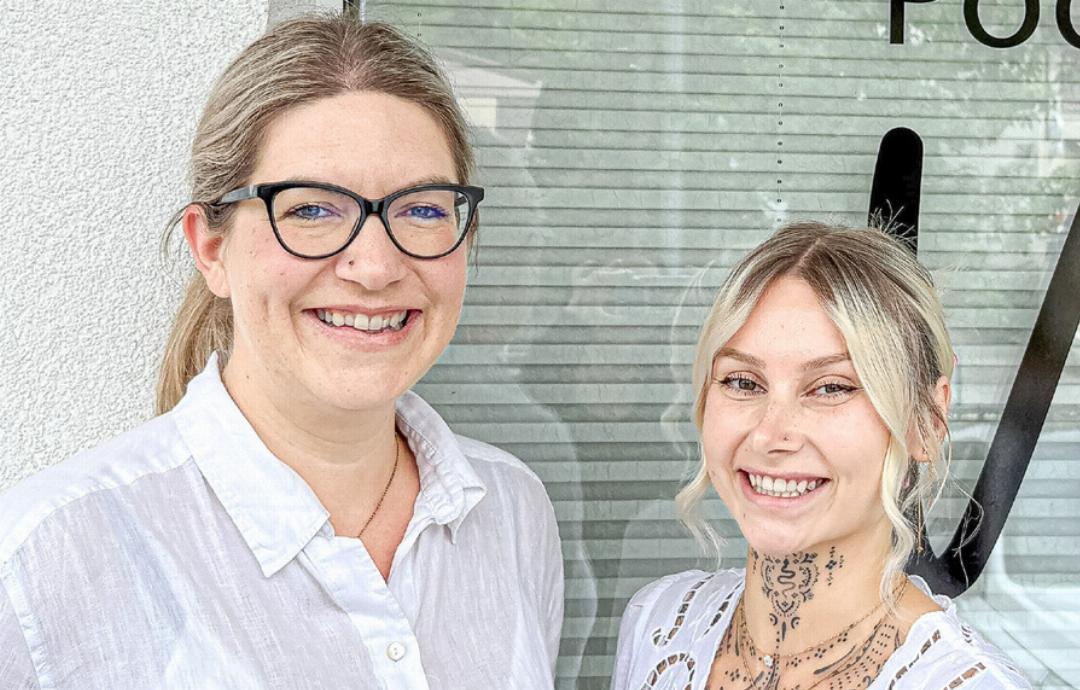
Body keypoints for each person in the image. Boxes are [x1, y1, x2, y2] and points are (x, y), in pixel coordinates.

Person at [0, 15, 562, 690]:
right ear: (212, 249)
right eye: (311, 210)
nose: (375, 267)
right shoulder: (46, 562)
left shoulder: (511, 512)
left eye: (422, 209)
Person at [610, 222, 1030, 689]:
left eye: (830, 388)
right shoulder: (659, 625)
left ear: (927, 421)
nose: (770, 434)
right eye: (743, 382)